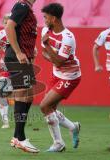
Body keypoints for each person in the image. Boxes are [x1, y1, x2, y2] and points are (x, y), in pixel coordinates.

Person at [40, 3, 81, 152]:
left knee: (44, 106)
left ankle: (58, 144)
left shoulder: (68, 37)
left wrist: (49, 47)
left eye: (45, 17)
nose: (44, 20)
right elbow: (44, 54)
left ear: (54, 18)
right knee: (49, 108)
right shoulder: (45, 31)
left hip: (70, 76)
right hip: (56, 73)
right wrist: (51, 54)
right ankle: (73, 127)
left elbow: (58, 60)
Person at [4, 0, 39, 153]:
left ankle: (16, 136)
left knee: (29, 96)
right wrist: (18, 52)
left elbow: (23, 32)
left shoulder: (27, 8)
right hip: (17, 57)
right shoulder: (22, 5)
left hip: (24, 57)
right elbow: (9, 26)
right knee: (22, 95)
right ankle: (21, 139)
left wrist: (31, 49)